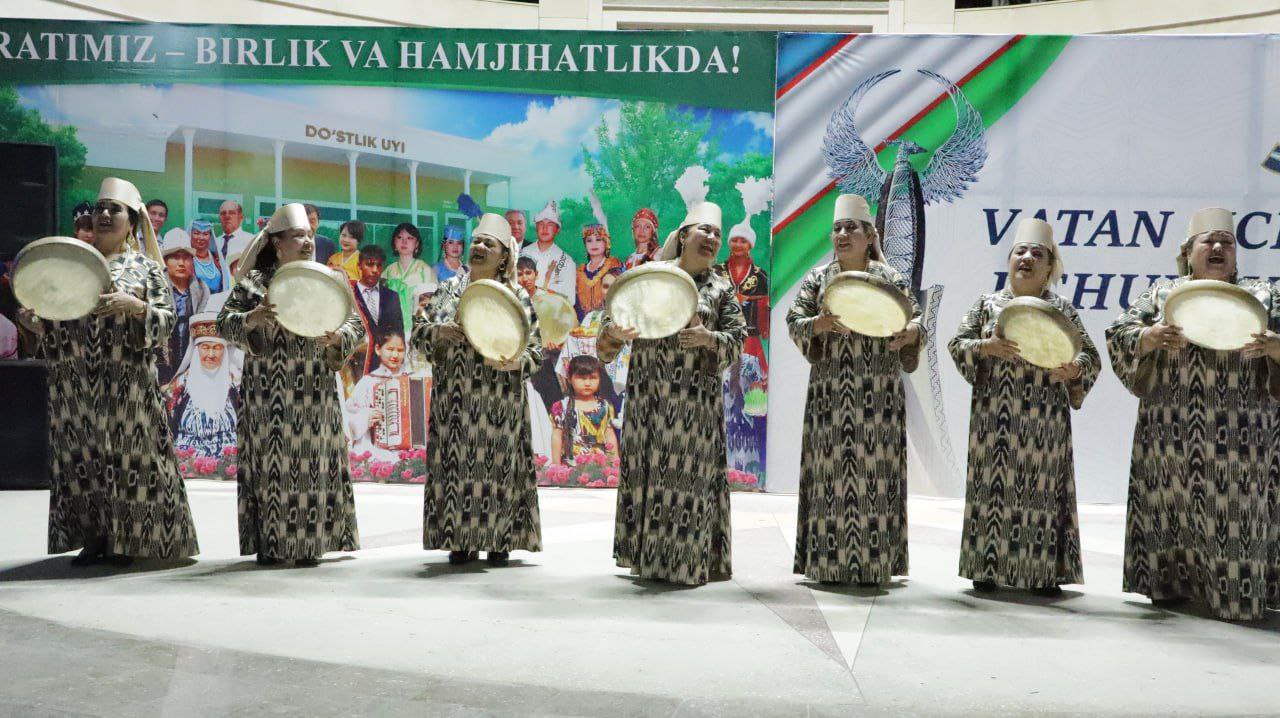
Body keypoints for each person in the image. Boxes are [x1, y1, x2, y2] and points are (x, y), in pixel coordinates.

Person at [1106, 207, 1280, 621]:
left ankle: (1238, 597)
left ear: (1236, 254)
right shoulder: (1163, 294)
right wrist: (1148, 337)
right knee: (1169, 504)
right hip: (1169, 431)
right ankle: (1169, 586)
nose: (1218, 247)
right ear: (1188, 252)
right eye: (1209, 241)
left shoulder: (1264, 295)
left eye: (1227, 242)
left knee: (1237, 513)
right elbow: (1119, 334)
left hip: (1243, 435)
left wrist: (1275, 347)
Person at [16, 177, 199, 565]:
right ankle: (94, 537)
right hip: (76, 382)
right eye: (100, 208)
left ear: (131, 221)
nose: (103, 214)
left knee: (131, 459)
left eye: (114, 209)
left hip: (127, 383)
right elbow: (55, 318)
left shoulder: (147, 269)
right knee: (82, 457)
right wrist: (35, 322)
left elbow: (167, 321)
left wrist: (135, 307)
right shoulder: (70, 264)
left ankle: (128, 539)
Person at [599, 200, 746, 586]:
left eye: (717, 234)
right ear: (683, 237)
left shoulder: (721, 289)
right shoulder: (649, 277)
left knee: (689, 482)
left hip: (694, 407)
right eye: (705, 231)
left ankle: (686, 563)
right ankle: (646, 559)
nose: (712, 238)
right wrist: (613, 332)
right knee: (648, 472)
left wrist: (708, 338)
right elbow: (611, 325)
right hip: (649, 398)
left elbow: (738, 340)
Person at [948, 218, 1098, 596]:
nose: (1027, 258)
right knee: (990, 490)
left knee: (1042, 495)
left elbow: (1091, 356)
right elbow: (957, 343)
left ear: (1050, 267)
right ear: (1010, 259)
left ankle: (1044, 574)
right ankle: (985, 567)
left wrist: (1074, 369)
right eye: (1021, 251)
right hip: (993, 419)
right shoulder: (988, 304)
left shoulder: (1062, 309)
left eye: (1038, 254)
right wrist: (985, 347)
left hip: (1044, 423)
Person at [786, 194, 923, 586]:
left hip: (878, 397)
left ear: (870, 235)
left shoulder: (891, 279)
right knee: (829, 475)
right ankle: (826, 564)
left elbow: (917, 325)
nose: (843, 234)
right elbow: (794, 318)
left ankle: (876, 564)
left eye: (851, 228)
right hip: (830, 396)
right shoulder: (818, 278)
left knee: (875, 477)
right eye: (838, 229)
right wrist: (817, 326)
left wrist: (910, 332)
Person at [217, 202, 364, 567]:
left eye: (310, 235)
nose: (307, 241)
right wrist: (251, 318)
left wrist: (338, 339)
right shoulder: (256, 283)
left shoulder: (330, 280)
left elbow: (356, 326)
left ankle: (310, 544)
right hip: (267, 392)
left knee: (312, 464)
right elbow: (224, 322)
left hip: (314, 390)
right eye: (298, 235)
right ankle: (271, 542)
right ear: (278, 243)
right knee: (271, 467)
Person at [413, 212, 543, 567]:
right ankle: (459, 539)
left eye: (490, 244)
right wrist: (438, 332)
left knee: (499, 468)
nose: (480, 247)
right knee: (457, 468)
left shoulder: (517, 296)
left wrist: (518, 363)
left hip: (501, 402)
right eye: (477, 241)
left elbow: (536, 350)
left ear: (504, 256)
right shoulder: (449, 290)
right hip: (456, 401)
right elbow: (419, 334)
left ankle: (500, 539)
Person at [715, 217, 771, 478]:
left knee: (750, 406)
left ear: (750, 245)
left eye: (743, 240)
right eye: (734, 239)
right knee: (721, 403)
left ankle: (749, 468)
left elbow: (763, 326)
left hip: (750, 346)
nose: (738, 244)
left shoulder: (760, 277)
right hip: (721, 343)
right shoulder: (715, 272)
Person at [170, 312, 239, 458]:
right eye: (205, 347)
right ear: (196, 351)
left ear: (225, 352)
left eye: (217, 348)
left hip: (230, 465)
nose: (211, 354)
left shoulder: (236, 385)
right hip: (186, 465)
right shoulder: (179, 386)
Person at [344, 329, 411, 465]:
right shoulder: (368, 382)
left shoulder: (412, 380)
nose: (395, 354)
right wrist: (366, 417)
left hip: (409, 449)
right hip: (375, 448)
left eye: (400, 350)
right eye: (390, 349)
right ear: (378, 349)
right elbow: (348, 419)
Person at [158, 230, 210, 385]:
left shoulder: (201, 289)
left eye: (186, 257)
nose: (181, 263)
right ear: (166, 261)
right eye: (175, 257)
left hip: (191, 361)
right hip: (160, 362)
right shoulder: (156, 287)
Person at [551, 354, 619, 466]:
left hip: (599, 467)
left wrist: (615, 463)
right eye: (582, 378)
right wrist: (556, 466)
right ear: (569, 378)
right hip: (571, 468)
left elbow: (610, 436)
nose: (587, 383)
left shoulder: (605, 406)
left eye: (593, 378)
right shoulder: (561, 406)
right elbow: (557, 437)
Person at [350, 245, 405, 375]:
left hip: (384, 369)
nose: (375, 270)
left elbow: (398, 331)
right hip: (355, 368)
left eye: (379, 265)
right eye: (369, 264)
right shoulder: (349, 294)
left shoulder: (391, 296)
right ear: (359, 266)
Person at [383, 221, 437, 329]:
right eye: (399, 237)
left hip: (418, 330)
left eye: (410, 238)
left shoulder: (425, 270)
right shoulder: (388, 271)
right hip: (392, 332)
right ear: (394, 242)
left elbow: (434, 304)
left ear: (417, 244)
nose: (404, 242)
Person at [520, 199, 576, 300]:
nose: (545, 228)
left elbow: (569, 300)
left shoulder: (567, 261)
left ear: (557, 229)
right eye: (541, 224)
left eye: (550, 224)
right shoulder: (523, 253)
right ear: (536, 227)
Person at [575, 222, 623, 320]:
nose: (594, 244)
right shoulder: (579, 272)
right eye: (589, 240)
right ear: (585, 244)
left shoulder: (614, 266)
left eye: (598, 239)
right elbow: (576, 306)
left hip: (609, 324)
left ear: (606, 242)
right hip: (583, 328)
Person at [188, 219, 229, 295]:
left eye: (205, 234)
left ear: (210, 236)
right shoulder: (186, 259)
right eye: (196, 233)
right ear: (190, 235)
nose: (201, 237)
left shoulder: (217, 259)